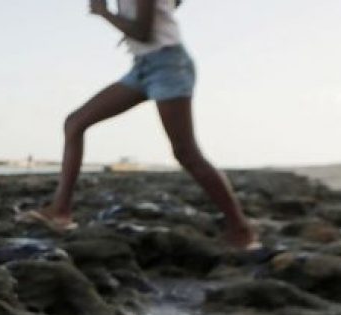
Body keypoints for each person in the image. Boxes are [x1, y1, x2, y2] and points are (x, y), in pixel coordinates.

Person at [21, 0, 257, 249]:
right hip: (143, 67)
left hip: (168, 65)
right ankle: (60, 211)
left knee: (186, 152)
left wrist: (104, 13)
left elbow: (143, 32)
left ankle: (241, 229)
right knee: (75, 123)